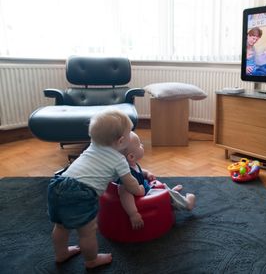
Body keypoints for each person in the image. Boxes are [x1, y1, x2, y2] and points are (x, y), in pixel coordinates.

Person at [47, 109, 144, 269]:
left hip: (58, 184)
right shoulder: (119, 159)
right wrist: (139, 190)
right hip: (80, 193)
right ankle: (92, 260)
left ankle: (61, 253)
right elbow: (129, 182)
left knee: (60, 226)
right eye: (129, 134)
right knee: (87, 231)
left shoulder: (92, 146)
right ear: (121, 142)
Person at [117, 131, 196, 229]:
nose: (142, 145)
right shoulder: (124, 179)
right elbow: (124, 194)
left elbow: (139, 172)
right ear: (131, 156)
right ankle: (187, 204)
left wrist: (147, 173)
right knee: (165, 193)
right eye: (139, 144)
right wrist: (133, 214)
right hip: (144, 198)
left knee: (163, 187)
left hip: (147, 189)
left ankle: (173, 194)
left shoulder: (131, 165)